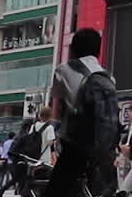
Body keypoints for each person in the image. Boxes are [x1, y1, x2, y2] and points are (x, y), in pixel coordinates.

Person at [45, 28, 118, 197]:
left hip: (76, 145)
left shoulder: (63, 70)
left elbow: (58, 102)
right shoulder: (109, 77)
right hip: (103, 148)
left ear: (74, 48)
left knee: (55, 190)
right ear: (98, 49)